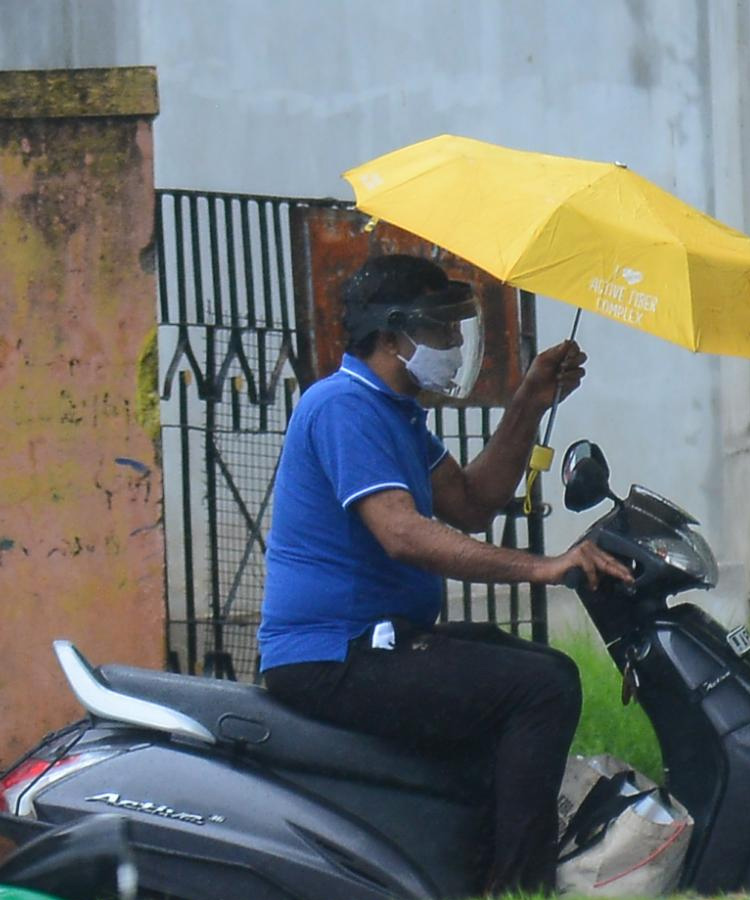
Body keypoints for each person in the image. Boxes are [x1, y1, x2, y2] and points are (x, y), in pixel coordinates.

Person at [258, 253, 631, 895]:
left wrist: (530, 402)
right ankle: (518, 888)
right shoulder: (342, 407)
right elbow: (402, 533)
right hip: (332, 653)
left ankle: (469, 863)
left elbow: (471, 503)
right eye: (441, 330)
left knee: (533, 667)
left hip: (380, 639)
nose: (456, 344)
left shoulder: (394, 414)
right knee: (540, 689)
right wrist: (544, 568)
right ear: (391, 334)